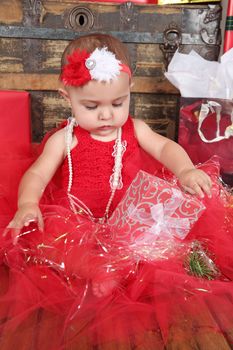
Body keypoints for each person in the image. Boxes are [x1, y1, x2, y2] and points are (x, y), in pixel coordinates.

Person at [0, 33, 232, 349]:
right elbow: (37, 174)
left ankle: (124, 265)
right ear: (66, 96)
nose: (107, 115)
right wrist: (28, 202)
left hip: (127, 217)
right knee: (49, 240)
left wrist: (186, 169)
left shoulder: (134, 129)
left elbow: (165, 148)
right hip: (76, 219)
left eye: (118, 103)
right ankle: (99, 270)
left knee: (159, 237)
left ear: (129, 92)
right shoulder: (64, 140)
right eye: (92, 106)